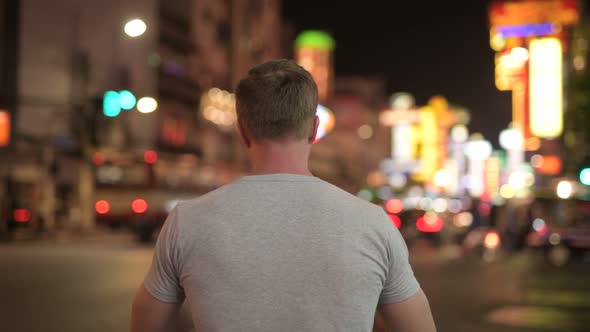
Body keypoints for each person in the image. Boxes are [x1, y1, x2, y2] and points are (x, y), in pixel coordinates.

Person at [131, 59, 436, 332]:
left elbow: (145, 322)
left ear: (242, 130)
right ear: (315, 128)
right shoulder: (373, 224)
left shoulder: (186, 222)